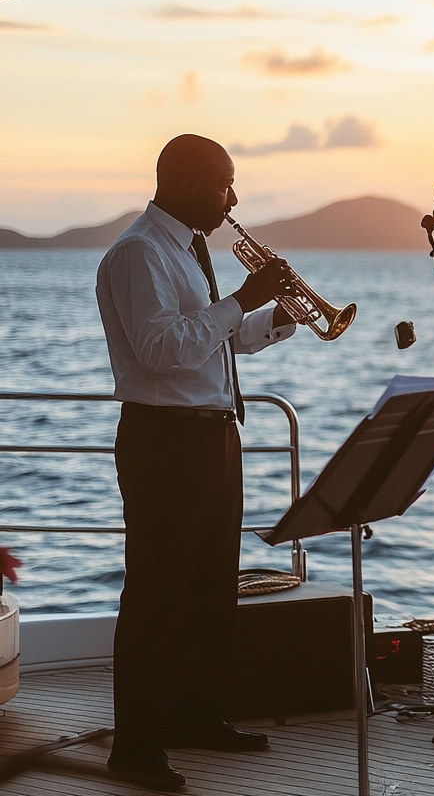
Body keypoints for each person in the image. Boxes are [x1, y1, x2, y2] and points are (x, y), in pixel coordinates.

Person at [95, 134, 297, 791]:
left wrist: (276, 317)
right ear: (185, 183)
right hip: (163, 440)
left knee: (211, 590)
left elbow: (215, 339)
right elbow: (162, 351)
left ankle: (197, 717)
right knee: (156, 595)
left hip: (212, 435)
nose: (232, 199)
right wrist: (240, 298)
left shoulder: (190, 250)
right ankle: (135, 749)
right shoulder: (138, 254)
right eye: (223, 185)